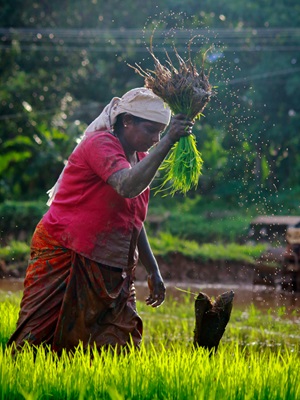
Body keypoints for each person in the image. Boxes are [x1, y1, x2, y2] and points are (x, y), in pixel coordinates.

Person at [7, 87, 194, 353]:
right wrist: (169, 141)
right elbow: (127, 187)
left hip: (113, 263)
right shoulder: (100, 144)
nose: (156, 138)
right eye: (151, 130)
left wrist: (153, 269)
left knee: (120, 341)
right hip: (67, 250)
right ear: (127, 121)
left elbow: (133, 219)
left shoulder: (139, 157)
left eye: (161, 132)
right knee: (39, 338)